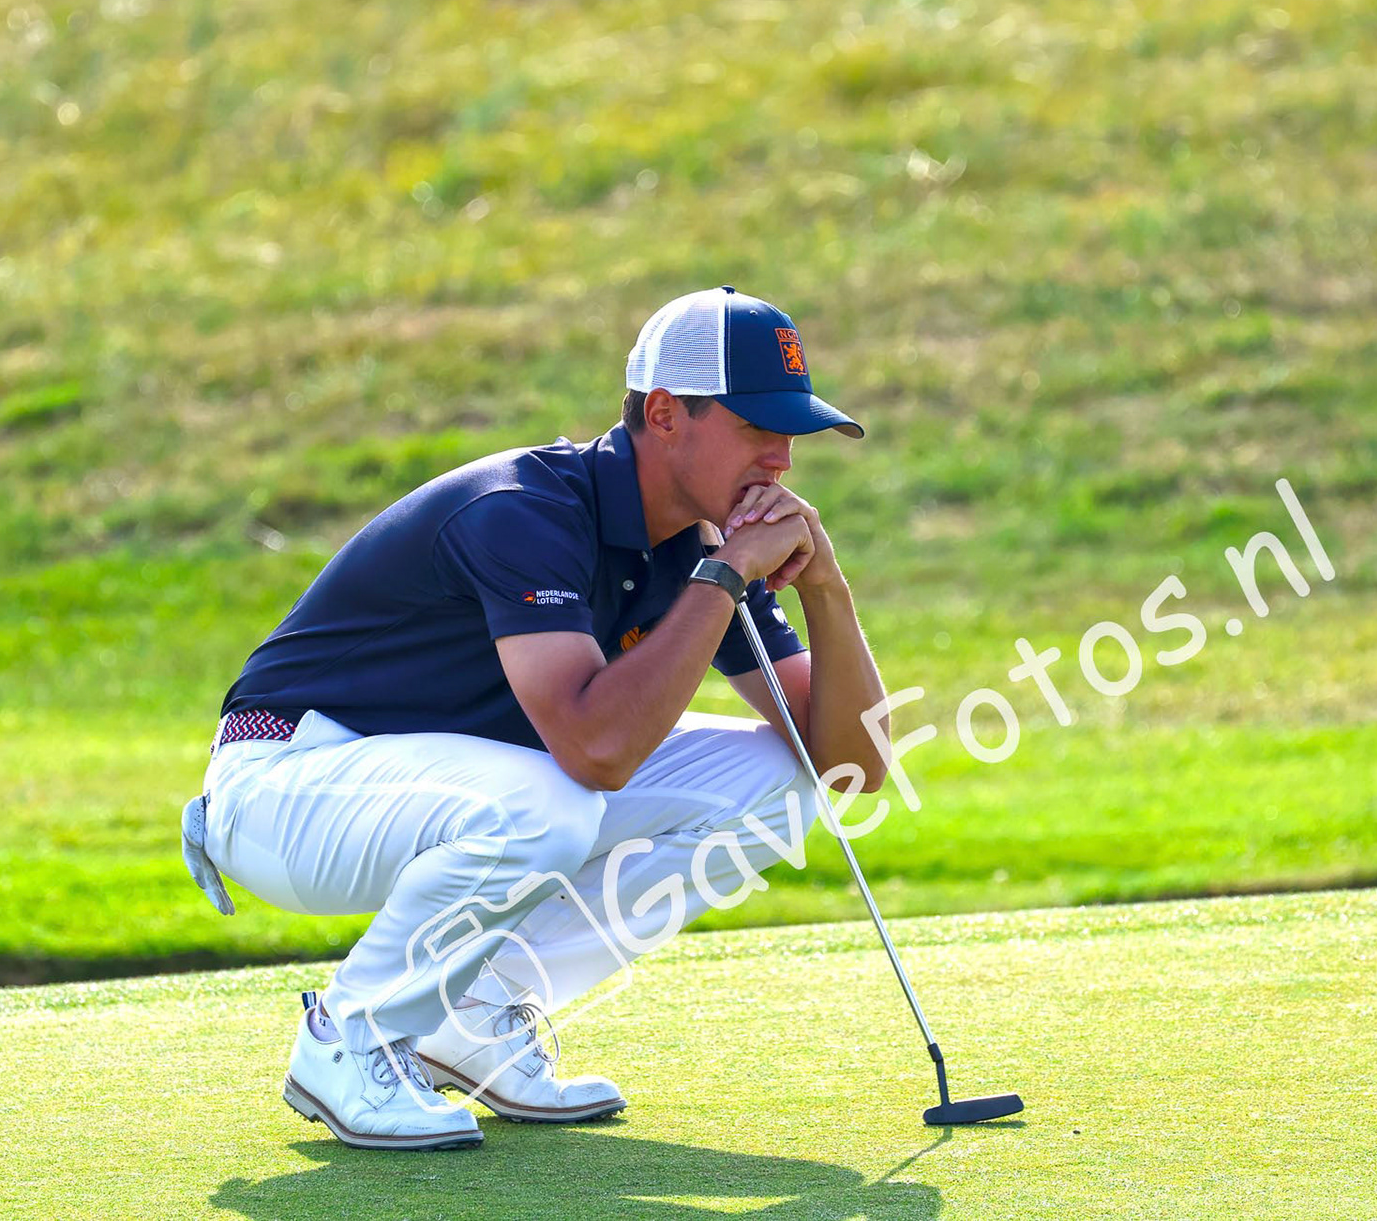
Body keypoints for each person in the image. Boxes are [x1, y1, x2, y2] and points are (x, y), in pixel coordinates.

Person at [182, 286, 891, 1150]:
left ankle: (469, 1019)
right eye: (756, 427)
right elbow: (597, 751)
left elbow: (849, 764)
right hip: (288, 786)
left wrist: (826, 588)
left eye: (792, 433)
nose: (781, 459)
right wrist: (724, 576)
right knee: (551, 803)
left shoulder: (698, 545)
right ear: (664, 414)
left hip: (446, 789)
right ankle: (351, 1036)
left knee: (773, 781)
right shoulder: (526, 509)